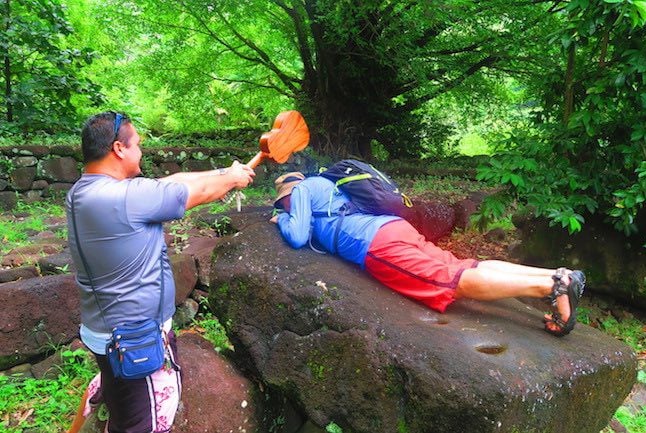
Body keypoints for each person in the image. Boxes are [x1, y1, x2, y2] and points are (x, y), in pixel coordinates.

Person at [66, 111, 255, 433]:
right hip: (133, 338)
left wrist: (227, 170)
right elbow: (197, 193)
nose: (141, 151)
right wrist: (231, 180)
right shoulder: (124, 198)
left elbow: (170, 183)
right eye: (137, 144)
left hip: (107, 330)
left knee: (120, 398)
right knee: (144, 423)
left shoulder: (86, 192)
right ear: (119, 148)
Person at [269, 171, 586, 337]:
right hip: (393, 227)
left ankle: (551, 288)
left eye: (283, 203)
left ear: (288, 193)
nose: (287, 207)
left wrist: (283, 218)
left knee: (450, 280)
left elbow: (296, 237)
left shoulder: (301, 190)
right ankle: (556, 276)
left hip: (377, 245)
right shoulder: (327, 186)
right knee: (463, 263)